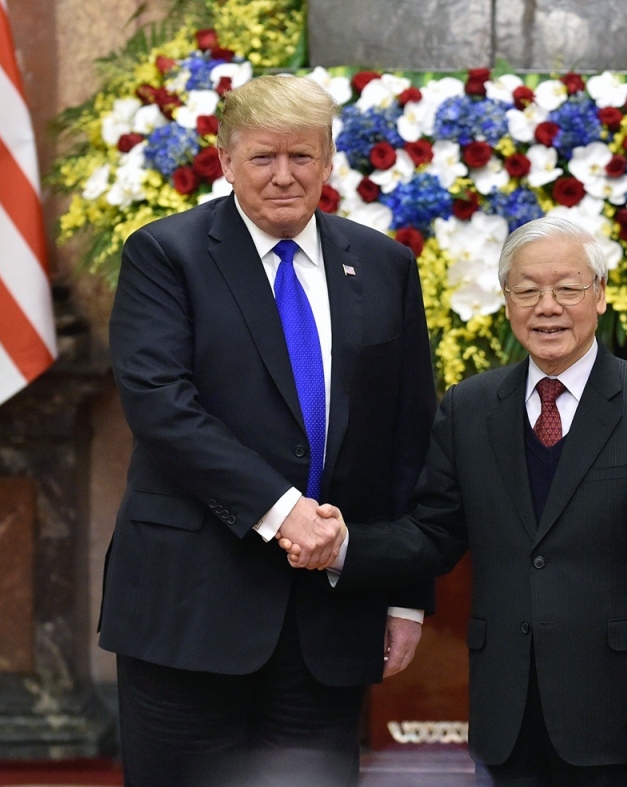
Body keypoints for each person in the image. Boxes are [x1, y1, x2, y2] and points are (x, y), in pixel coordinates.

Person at [292, 217, 627, 786]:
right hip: (506, 715)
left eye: (568, 289)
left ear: (600, 295)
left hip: (621, 717)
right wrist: (344, 545)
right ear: (507, 300)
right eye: (528, 290)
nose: (547, 307)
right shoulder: (469, 408)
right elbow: (433, 533)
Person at [98, 74, 437, 787]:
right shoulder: (166, 255)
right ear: (226, 160)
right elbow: (162, 404)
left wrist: (404, 591)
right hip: (189, 608)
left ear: (329, 159)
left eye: (302, 157)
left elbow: (409, 437)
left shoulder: (384, 267)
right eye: (263, 157)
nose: (284, 176)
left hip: (330, 618)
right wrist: (284, 511)